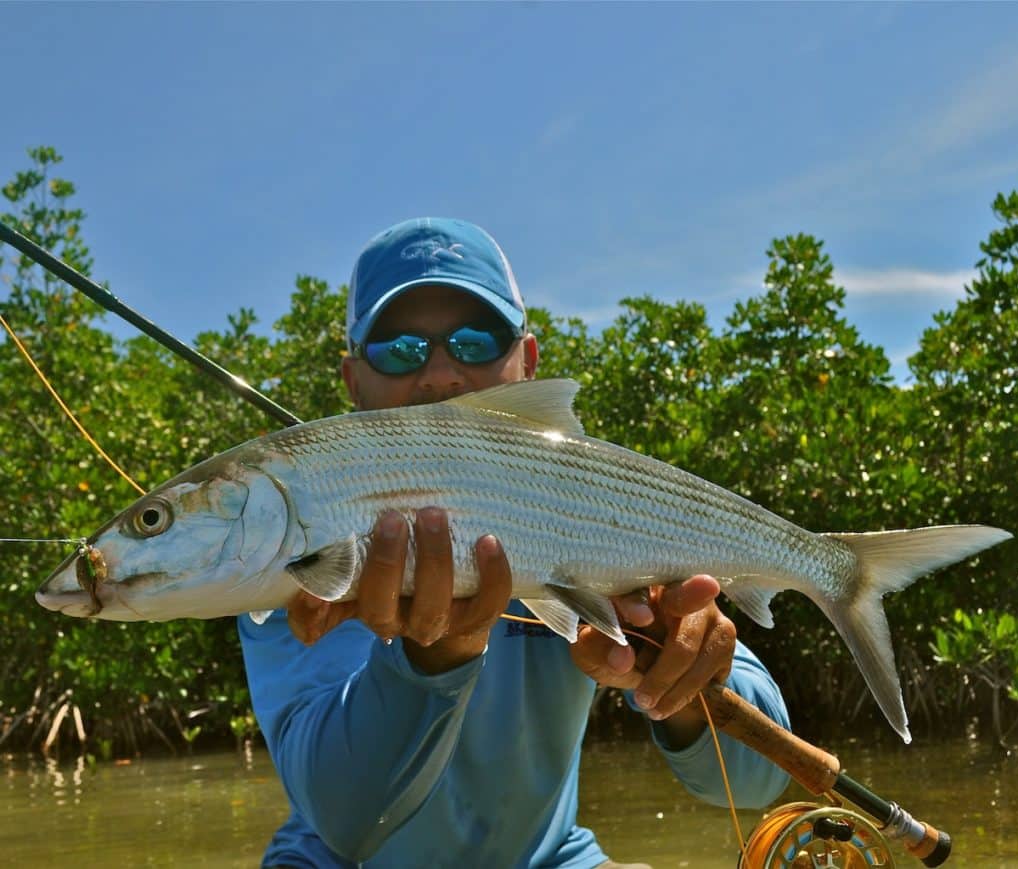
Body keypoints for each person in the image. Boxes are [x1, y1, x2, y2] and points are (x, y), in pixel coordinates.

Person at [239, 217, 791, 868]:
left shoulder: (592, 506)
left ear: (527, 361)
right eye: (399, 349)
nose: (441, 374)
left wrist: (687, 677)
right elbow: (346, 819)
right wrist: (429, 662)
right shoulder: (293, 541)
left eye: (475, 341)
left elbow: (760, 782)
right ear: (353, 381)